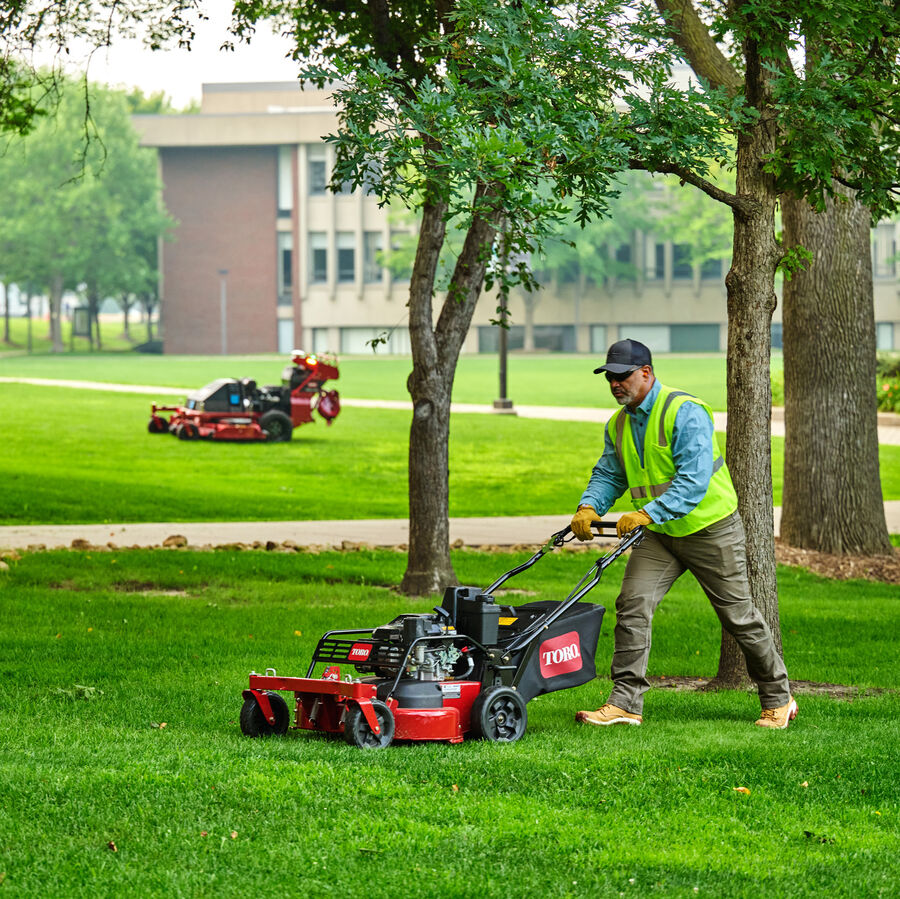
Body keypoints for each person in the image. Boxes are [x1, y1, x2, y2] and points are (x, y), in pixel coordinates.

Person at [571, 339, 797, 729]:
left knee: (739, 617)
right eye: (609, 377)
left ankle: (779, 698)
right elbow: (610, 473)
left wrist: (645, 513)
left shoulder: (684, 411)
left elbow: (692, 482)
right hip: (660, 534)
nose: (615, 384)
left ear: (646, 372)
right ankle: (625, 702)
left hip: (710, 530)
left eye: (622, 376)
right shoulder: (619, 423)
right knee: (633, 605)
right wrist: (589, 506)